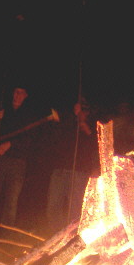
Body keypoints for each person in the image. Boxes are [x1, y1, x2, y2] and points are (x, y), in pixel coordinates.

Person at [0, 83, 54, 230]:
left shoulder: (29, 114)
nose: (17, 95)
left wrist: (10, 144)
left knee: (12, 199)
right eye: (16, 92)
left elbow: (30, 138)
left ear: (25, 95)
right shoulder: (4, 111)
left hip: (18, 162)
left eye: (21, 93)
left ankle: (6, 231)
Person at [43, 97, 101, 236]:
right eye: (77, 108)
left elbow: (96, 145)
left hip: (79, 171)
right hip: (60, 168)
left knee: (75, 209)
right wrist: (69, 120)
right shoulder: (68, 121)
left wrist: (86, 128)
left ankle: (73, 237)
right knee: (53, 206)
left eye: (82, 109)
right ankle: (56, 237)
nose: (79, 111)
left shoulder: (93, 125)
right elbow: (56, 137)